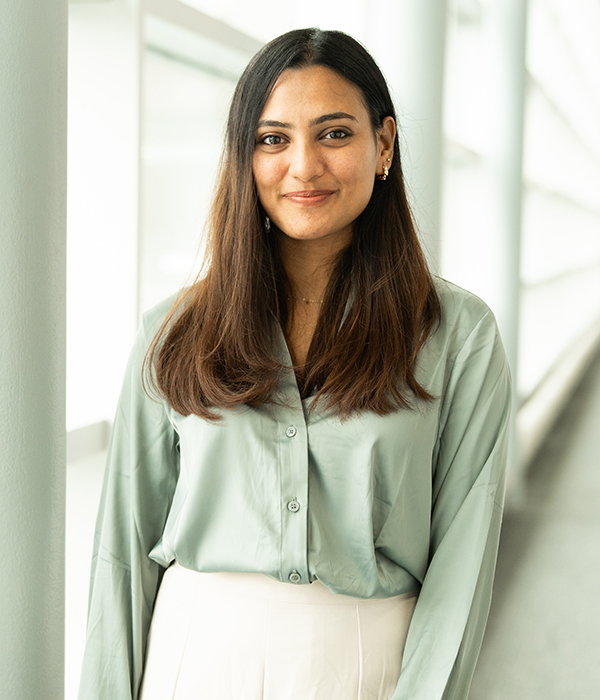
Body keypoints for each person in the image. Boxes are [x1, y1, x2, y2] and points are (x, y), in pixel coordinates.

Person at [77, 27, 511, 700]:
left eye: (334, 134)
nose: (303, 166)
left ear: (384, 144)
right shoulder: (173, 330)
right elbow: (121, 559)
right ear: (244, 157)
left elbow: (463, 566)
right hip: (192, 664)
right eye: (273, 139)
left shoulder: (459, 336)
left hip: (369, 669)